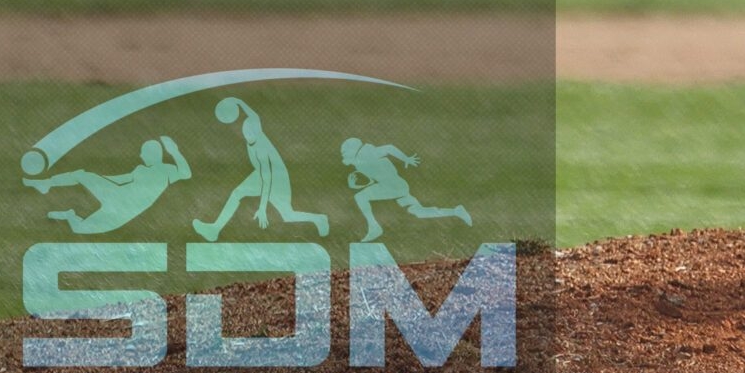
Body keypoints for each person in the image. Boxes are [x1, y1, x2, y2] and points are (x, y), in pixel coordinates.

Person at [193, 96, 330, 239]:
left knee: (288, 215)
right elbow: (253, 115)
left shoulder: (261, 150)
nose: (248, 133)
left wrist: (262, 208)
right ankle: (214, 229)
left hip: (277, 178)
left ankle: (319, 219)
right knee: (237, 193)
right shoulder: (254, 129)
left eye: (251, 131)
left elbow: (267, 179)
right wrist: (239, 102)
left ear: (257, 131)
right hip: (263, 173)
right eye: (246, 131)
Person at [27, 136, 192, 234]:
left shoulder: (166, 170)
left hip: (125, 210)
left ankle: (69, 215)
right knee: (81, 175)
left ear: (153, 154)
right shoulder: (140, 169)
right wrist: (98, 180)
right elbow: (121, 179)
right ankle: (46, 184)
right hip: (117, 196)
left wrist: (174, 151)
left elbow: (186, 173)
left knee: (81, 228)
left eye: (144, 152)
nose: (141, 156)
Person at [342, 137, 473, 242]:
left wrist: (406, 158)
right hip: (397, 186)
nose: (344, 155)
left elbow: (389, 148)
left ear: (353, 149)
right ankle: (456, 211)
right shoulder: (361, 161)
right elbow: (372, 180)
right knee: (419, 212)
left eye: (345, 152)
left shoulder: (367, 153)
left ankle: (374, 227)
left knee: (360, 197)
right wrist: (355, 185)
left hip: (393, 186)